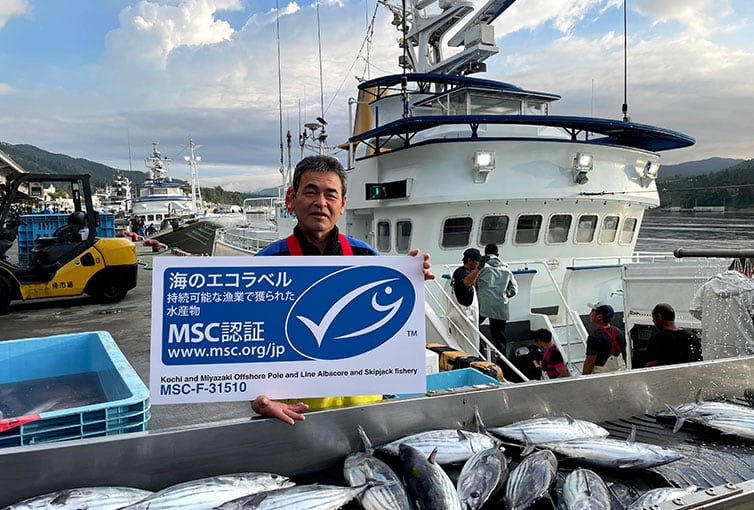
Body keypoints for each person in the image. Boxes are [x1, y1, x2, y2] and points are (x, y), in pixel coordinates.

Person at [251, 154, 434, 425]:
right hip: (295, 418)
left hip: (367, 414)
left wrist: (410, 282)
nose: (320, 202)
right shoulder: (264, 265)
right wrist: (257, 399)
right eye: (310, 192)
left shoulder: (367, 257)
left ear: (343, 204)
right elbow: (249, 340)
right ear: (292, 198)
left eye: (330, 195)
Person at [689, 257, 754, 360]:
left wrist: (716, 319)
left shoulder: (708, 286)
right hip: (744, 352)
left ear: (729, 267)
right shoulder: (750, 289)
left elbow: (695, 310)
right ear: (751, 270)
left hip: (713, 352)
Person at [476, 243, 518, 357]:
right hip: (500, 305)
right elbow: (514, 290)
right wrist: (503, 295)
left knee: (472, 325)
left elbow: (475, 284)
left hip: (483, 304)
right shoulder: (506, 269)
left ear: (485, 253)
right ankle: (503, 362)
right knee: (499, 337)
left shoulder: (481, 268)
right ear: (498, 254)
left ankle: (479, 351)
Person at [582, 302, 627, 375]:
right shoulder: (620, 332)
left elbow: (590, 363)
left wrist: (583, 378)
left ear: (599, 317)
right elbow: (624, 354)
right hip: (620, 371)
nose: (589, 314)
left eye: (592, 311)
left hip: (602, 375)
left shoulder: (594, 337)